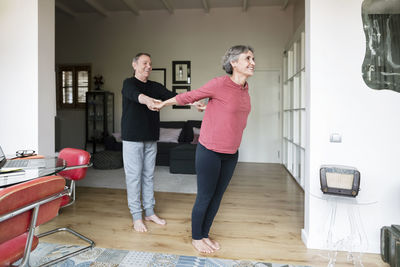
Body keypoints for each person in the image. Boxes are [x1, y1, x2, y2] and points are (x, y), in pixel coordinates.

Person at [154, 45, 255, 253]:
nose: (252, 62)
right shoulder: (219, 83)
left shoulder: (245, 89)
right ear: (234, 63)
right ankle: (196, 237)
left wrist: (209, 107)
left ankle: (205, 234)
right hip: (209, 151)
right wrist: (163, 104)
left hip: (231, 153)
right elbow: (190, 96)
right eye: (248, 58)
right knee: (205, 196)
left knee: (217, 197)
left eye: (253, 58)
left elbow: (229, 110)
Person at [121, 52, 177, 232]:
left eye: (150, 64)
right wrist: (147, 101)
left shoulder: (155, 86)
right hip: (132, 139)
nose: (148, 66)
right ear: (134, 64)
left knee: (148, 176)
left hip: (151, 138)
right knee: (134, 178)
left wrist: (195, 101)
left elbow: (174, 97)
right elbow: (136, 95)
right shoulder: (128, 83)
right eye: (144, 63)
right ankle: (137, 216)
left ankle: (150, 212)